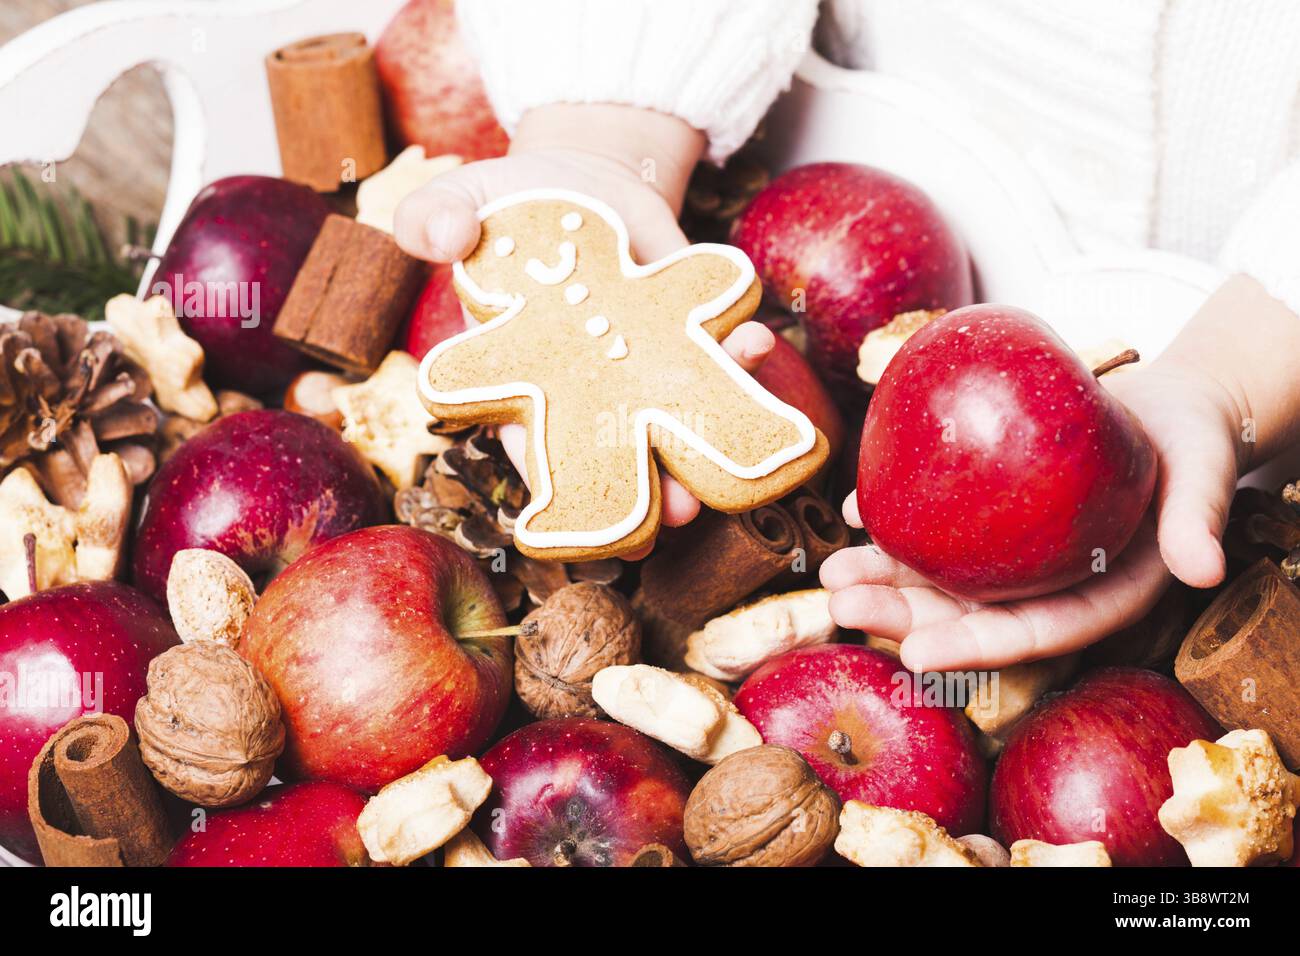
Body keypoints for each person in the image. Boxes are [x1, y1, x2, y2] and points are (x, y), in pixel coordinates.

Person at [394, 0, 1300, 673]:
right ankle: (593, 497)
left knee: (717, 411)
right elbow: (492, 362)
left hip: (1255, 351)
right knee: (612, 444)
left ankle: (744, 444)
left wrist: (1234, 380)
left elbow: (709, 281)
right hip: (806, 140)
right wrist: (606, 131)